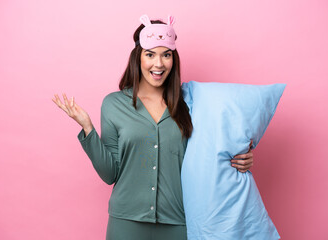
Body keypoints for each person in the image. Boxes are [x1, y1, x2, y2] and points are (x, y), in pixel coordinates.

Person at [52, 14, 254, 240]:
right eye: (150, 55)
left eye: (166, 55)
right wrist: (88, 129)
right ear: (138, 58)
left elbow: (208, 156)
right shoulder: (113, 104)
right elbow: (110, 174)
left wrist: (240, 158)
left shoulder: (192, 104)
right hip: (125, 223)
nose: (158, 64)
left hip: (179, 222)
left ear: (173, 59)